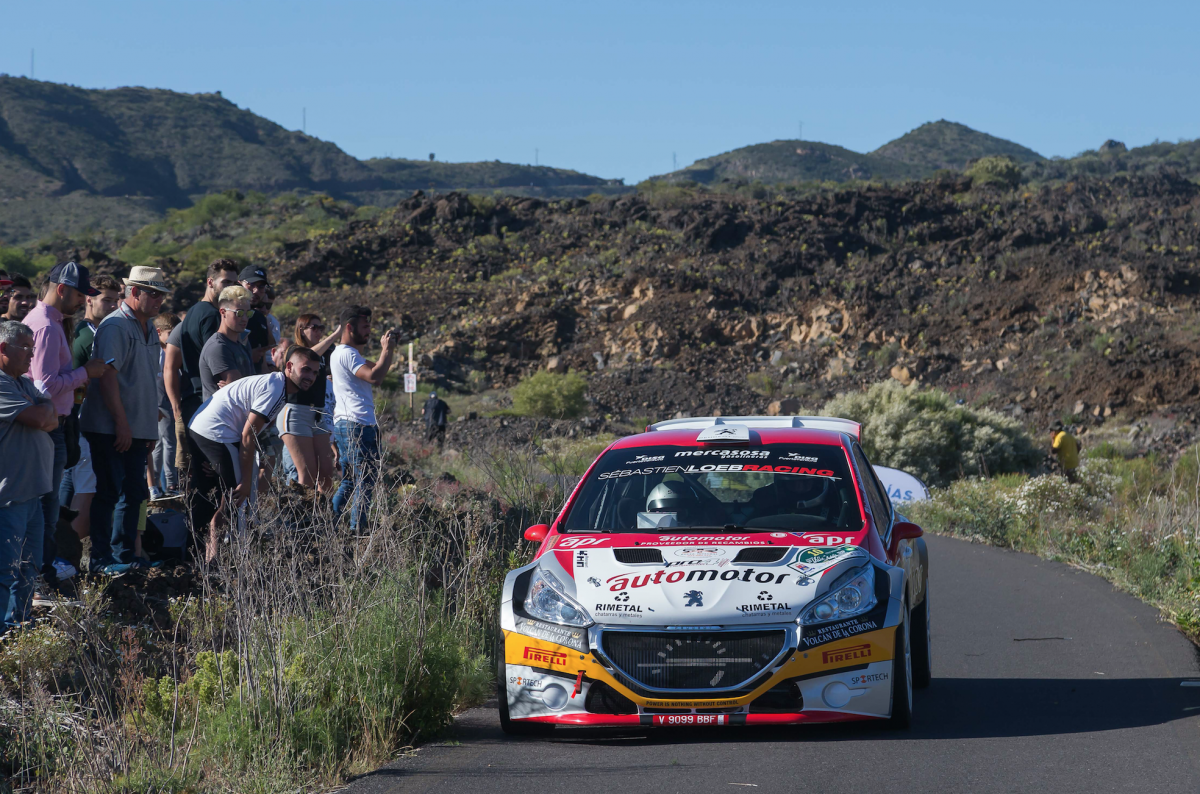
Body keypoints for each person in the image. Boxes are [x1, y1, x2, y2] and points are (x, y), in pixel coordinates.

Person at [187, 347, 320, 562]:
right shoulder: (277, 389)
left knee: (211, 494)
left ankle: (198, 558)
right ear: (289, 366)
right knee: (238, 497)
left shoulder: (276, 384)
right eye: (305, 369)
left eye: (315, 372)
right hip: (216, 431)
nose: (310, 377)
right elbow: (248, 435)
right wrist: (247, 482)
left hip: (202, 427)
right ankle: (228, 561)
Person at [79, 266, 169, 573]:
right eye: (153, 293)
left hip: (135, 428)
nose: (159, 300)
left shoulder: (148, 328)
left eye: (161, 295)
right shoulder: (116, 326)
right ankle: (102, 559)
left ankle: (126, 556)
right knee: (110, 492)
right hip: (110, 427)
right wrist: (122, 424)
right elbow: (107, 379)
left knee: (135, 494)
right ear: (134, 292)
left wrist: (146, 428)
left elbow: (145, 381)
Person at [25, 262, 111, 585]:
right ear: (61, 289)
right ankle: (40, 576)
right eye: (78, 294)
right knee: (45, 508)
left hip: (51, 426)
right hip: (48, 427)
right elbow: (44, 386)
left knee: (47, 506)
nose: (82, 301)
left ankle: (41, 573)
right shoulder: (47, 327)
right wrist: (84, 373)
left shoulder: (47, 322)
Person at [0, 321, 56, 632]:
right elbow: (38, 418)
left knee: (28, 567)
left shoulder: (22, 383)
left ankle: (19, 626)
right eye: (25, 348)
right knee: (6, 570)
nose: (31, 355)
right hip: (9, 495)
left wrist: (44, 407)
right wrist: (44, 408)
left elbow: (53, 419)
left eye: (33, 349)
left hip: (32, 492)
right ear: (3, 348)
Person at [59, 274, 121, 541]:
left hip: (78, 423)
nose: (113, 306)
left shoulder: (89, 332)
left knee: (70, 486)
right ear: (89, 300)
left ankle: (58, 549)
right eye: (107, 300)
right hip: (84, 423)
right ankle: (68, 550)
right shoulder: (87, 336)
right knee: (87, 490)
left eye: (116, 300)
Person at [164, 259, 239, 468]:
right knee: (216, 472)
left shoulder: (193, 313)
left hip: (192, 400)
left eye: (234, 283)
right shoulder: (211, 316)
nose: (230, 288)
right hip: (208, 401)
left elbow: (174, 361)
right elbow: (217, 359)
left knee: (200, 471)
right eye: (226, 282)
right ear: (210, 282)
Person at [330, 306, 397, 530]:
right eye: (365, 326)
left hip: (348, 424)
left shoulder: (343, 354)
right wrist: (386, 349)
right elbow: (375, 377)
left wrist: (388, 351)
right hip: (357, 425)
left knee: (350, 481)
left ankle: (332, 524)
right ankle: (357, 529)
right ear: (349, 327)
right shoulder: (347, 354)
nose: (369, 331)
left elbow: (378, 368)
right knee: (365, 480)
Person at [278, 314, 341, 492]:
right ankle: (297, 509)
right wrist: (335, 335)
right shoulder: (294, 350)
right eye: (314, 327)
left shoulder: (326, 352)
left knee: (326, 474)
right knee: (305, 475)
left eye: (321, 328)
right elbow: (310, 355)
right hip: (297, 411)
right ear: (301, 330)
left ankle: (320, 508)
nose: (319, 331)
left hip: (319, 413)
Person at [198, 286, 255, 400]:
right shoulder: (217, 347)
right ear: (223, 312)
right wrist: (241, 387)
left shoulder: (242, 344)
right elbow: (242, 392)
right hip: (220, 411)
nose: (245, 318)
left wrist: (241, 387)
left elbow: (248, 388)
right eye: (239, 313)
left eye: (248, 313)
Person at [148, 312, 182, 500]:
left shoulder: (171, 351)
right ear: (159, 332)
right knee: (168, 442)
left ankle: (159, 482)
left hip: (166, 403)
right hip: (160, 404)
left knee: (162, 443)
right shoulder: (156, 353)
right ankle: (170, 483)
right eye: (171, 333)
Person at [238, 266, 273, 372]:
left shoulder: (260, 318)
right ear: (239, 284)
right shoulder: (228, 314)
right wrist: (248, 356)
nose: (256, 290)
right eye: (251, 284)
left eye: (261, 286)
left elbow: (262, 359)